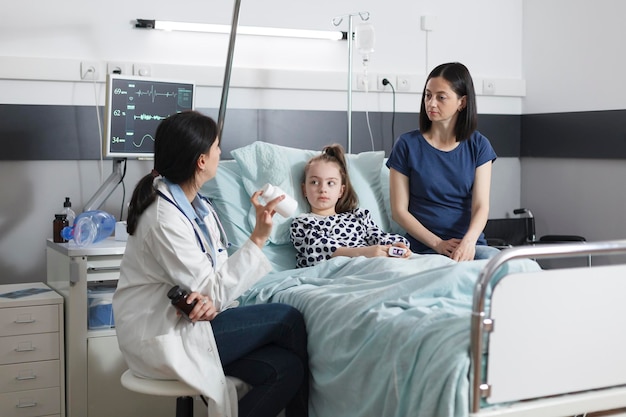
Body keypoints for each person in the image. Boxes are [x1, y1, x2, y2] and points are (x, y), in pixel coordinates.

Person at [112, 111, 309, 417]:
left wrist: (212, 300)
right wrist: (258, 238)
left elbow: (211, 286)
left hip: (193, 323)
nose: (221, 152)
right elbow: (212, 289)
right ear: (201, 161)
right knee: (288, 318)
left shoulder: (198, 206)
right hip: (163, 336)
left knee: (285, 368)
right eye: (217, 146)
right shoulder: (164, 218)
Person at [386, 62, 500, 262]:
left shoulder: (479, 145)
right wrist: (438, 244)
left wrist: (468, 243)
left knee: (514, 269)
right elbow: (399, 211)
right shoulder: (406, 145)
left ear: (462, 102)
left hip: (469, 247)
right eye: (428, 95)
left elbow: (481, 206)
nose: (431, 103)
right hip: (422, 249)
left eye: (441, 97)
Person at [290, 144, 410, 268]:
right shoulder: (303, 223)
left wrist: (397, 245)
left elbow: (378, 236)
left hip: (371, 264)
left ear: (341, 191)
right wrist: (364, 252)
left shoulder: (359, 217)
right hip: (337, 271)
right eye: (314, 182)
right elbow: (319, 248)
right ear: (304, 189)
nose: (323, 189)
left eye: (330, 183)